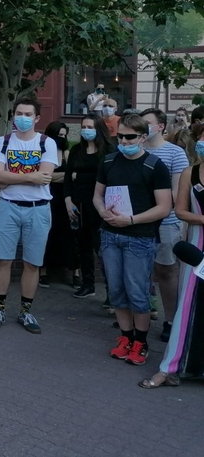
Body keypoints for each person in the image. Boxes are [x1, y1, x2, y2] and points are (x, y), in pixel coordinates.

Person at [93, 113, 172, 366]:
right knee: (116, 291)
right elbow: (97, 195)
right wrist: (102, 211)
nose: (124, 142)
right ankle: (125, 337)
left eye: (130, 137)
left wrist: (132, 220)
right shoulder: (108, 161)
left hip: (139, 238)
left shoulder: (154, 166)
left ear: (142, 137)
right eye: (121, 137)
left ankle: (141, 341)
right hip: (110, 235)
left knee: (137, 293)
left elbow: (164, 207)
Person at [0, 97, 59, 334]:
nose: (22, 118)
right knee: (3, 259)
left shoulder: (47, 143)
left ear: (37, 118)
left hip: (38, 208)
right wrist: (31, 177)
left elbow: (45, 176)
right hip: (8, 207)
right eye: (19, 113)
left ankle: (26, 311)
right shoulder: (2, 142)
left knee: (32, 263)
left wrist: (11, 177)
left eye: (28, 114)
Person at [140, 122, 204, 388]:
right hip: (197, 250)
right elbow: (180, 211)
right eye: (203, 137)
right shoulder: (191, 172)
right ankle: (170, 368)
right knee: (187, 307)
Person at [140, 108, 190, 342]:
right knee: (140, 270)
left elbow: (178, 190)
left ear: (160, 126)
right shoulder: (135, 150)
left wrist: (150, 206)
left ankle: (171, 320)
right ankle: (140, 312)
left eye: (147, 123)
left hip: (166, 221)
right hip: (138, 222)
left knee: (167, 270)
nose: (143, 127)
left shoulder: (175, 153)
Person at [64, 114, 114, 298]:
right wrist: (68, 201)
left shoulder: (109, 150)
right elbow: (69, 178)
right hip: (79, 205)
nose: (86, 130)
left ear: (98, 129)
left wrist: (81, 177)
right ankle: (88, 284)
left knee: (102, 249)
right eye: (83, 126)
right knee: (83, 246)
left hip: (102, 206)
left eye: (90, 127)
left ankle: (111, 292)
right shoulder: (77, 150)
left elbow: (107, 178)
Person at [40, 121, 75, 287]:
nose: (62, 138)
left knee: (70, 234)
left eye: (64, 135)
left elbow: (74, 175)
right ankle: (43, 271)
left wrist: (60, 176)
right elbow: (45, 176)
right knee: (48, 232)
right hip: (49, 196)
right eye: (59, 135)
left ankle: (74, 271)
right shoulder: (44, 151)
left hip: (66, 197)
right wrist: (66, 176)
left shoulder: (68, 152)